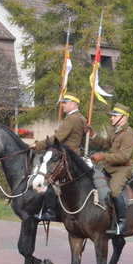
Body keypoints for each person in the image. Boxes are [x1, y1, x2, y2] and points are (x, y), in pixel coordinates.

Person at [30, 92, 89, 221]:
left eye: (65, 103)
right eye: (62, 102)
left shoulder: (71, 119)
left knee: (48, 177)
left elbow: (57, 138)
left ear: (74, 104)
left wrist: (38, 145)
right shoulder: (81, 118)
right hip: (75, 155)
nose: (63, 105)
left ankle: (50, 211)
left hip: (66, 156)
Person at [89, 103, 133, 236]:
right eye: (112, 116)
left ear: (124, 117)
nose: (112, 118)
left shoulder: (128, 134)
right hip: (109, 166)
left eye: (115, 116)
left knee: (115, 191)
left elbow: (123, 156)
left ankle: (122, 223)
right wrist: (93, 134)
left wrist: (103, 156)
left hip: (122, 169)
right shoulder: (116, 132)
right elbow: (105, 144)